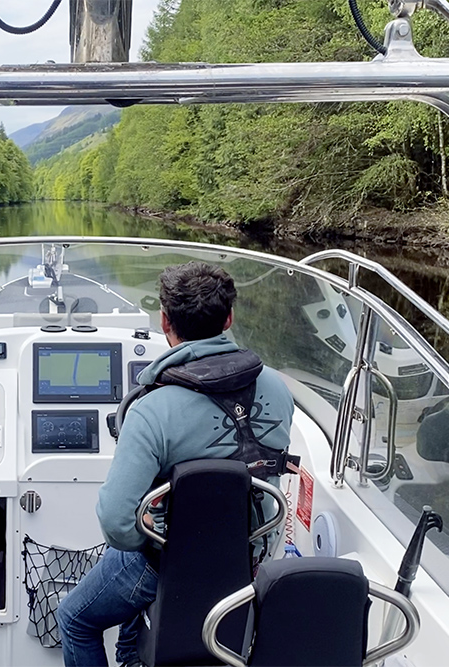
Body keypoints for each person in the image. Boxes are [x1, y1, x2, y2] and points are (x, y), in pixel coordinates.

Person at [56, 262, 295, 667]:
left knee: (75, 618)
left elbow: (117, 525)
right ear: (229, 318)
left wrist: (154, 546)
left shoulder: (151, 410)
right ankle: (133, 654)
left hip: (170, 562)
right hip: (252, 558)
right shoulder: (277, 387)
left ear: (165, 321)